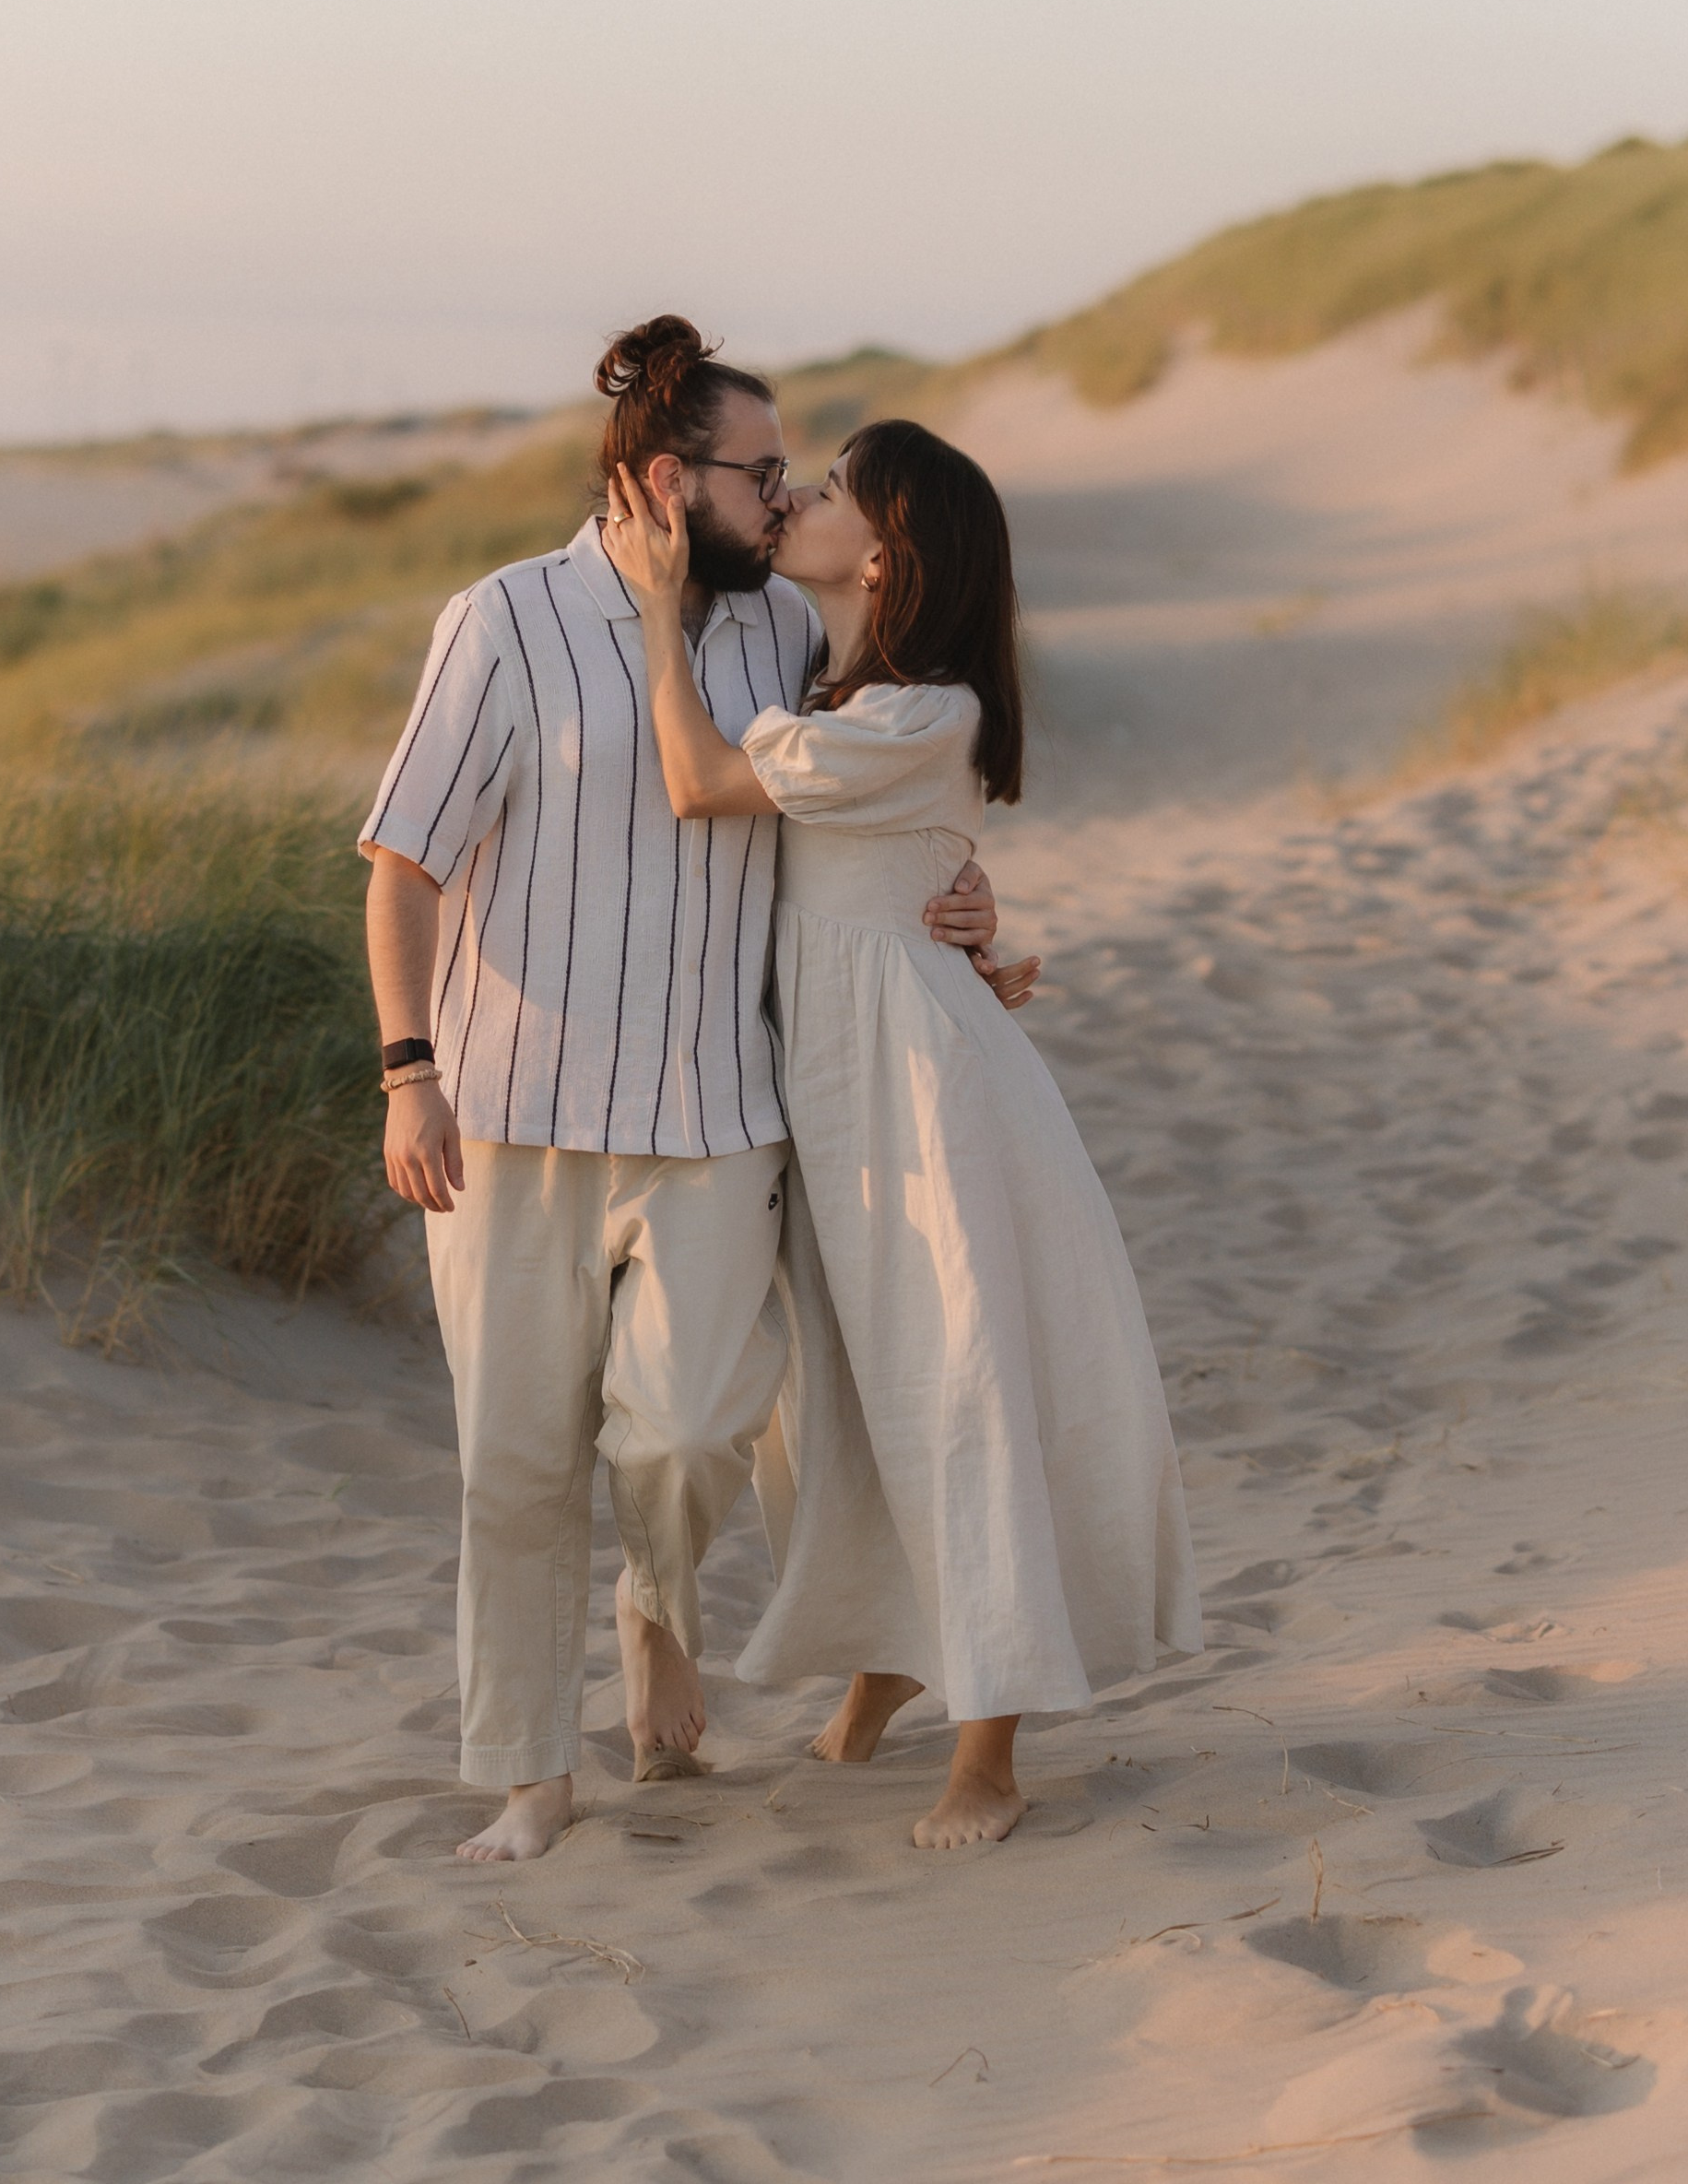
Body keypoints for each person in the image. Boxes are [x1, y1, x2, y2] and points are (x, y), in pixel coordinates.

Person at [361, 320, 1008, 1863]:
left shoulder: (785, 629)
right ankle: (530, 1777)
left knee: (695, 1430)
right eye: (763, 475)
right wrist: (407, 1073)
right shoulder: (504, 620)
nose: (785, 503)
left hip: (722, 1119)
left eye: (793, 479)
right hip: (513, 1117)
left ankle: (658, 1599)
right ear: (670, 478)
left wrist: (973, 905)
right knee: (516, 1461)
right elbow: (402, 860)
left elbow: (865, 810)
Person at [601, 418, 1200, 1848]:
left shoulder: (919, 711)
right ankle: (888, 1660)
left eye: (829, 493)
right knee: (854, 1395)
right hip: (838, 1081)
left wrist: (654, 616)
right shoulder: (837, 687)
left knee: (960, 1380)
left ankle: (986, 1747)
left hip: (924, 1092)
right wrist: (969, 911)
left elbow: (698, 784)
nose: (795, 498)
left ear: (884, 553)